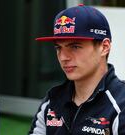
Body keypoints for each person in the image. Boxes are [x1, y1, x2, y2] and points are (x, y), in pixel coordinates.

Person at [29, 4, 125, 135]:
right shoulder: (52, 100)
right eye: (58, 48)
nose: (63, 57)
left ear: (104, 47)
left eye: (74, 46)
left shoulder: (121, 103)